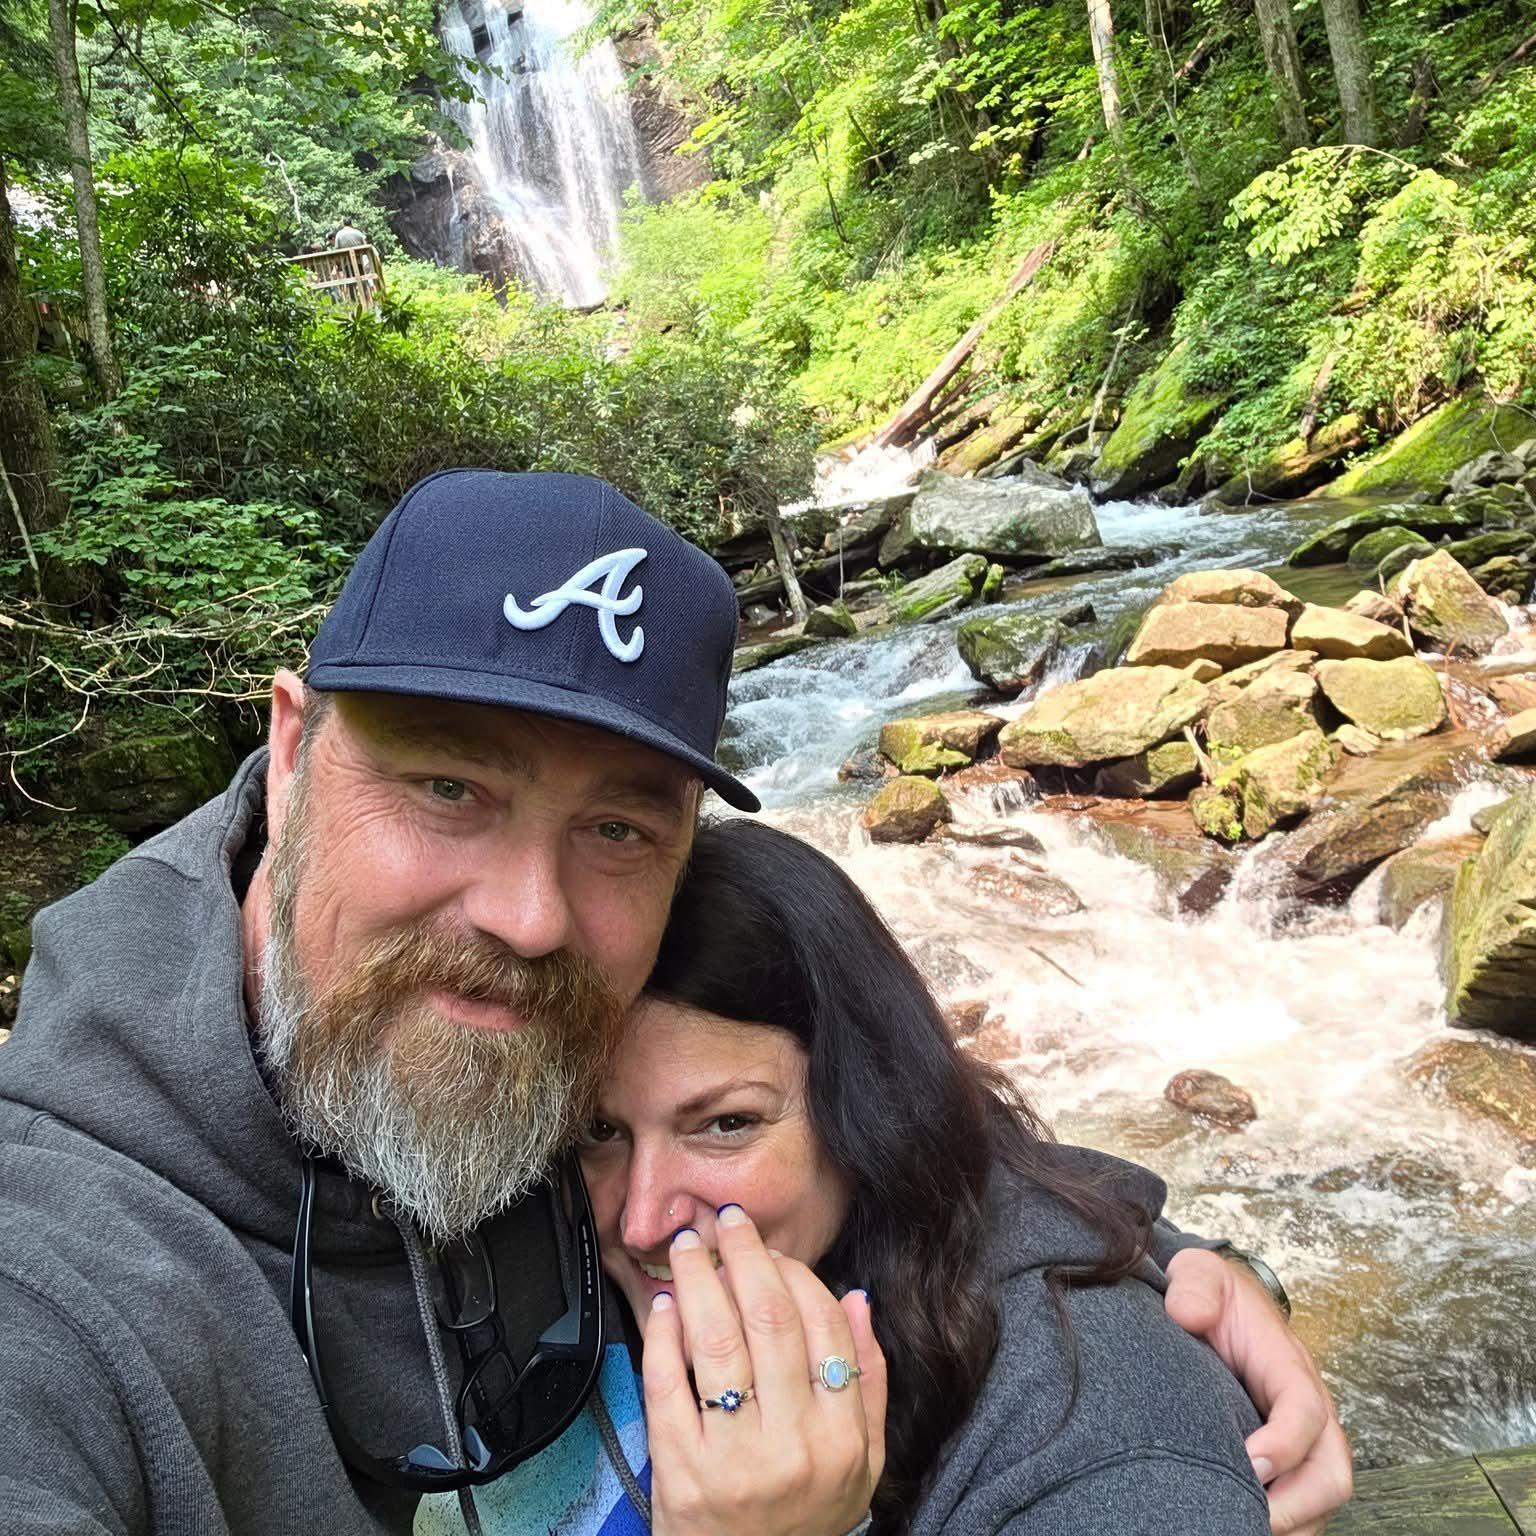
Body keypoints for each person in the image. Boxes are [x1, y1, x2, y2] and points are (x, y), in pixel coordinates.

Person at [0, 471, 1346, 1534]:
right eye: (448, 787)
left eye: (621, 832)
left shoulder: (535, 1047)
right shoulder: (58, 1264)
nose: (528, 917)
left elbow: (917, 1183)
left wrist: (1167, 1287)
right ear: (290, 753)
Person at [422, 819, 1329, 1534]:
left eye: (727, 1124)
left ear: (869, 1110)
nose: (644, 1220)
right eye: (597, 1130)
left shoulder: (1102, 1430)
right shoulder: (502, 1196)